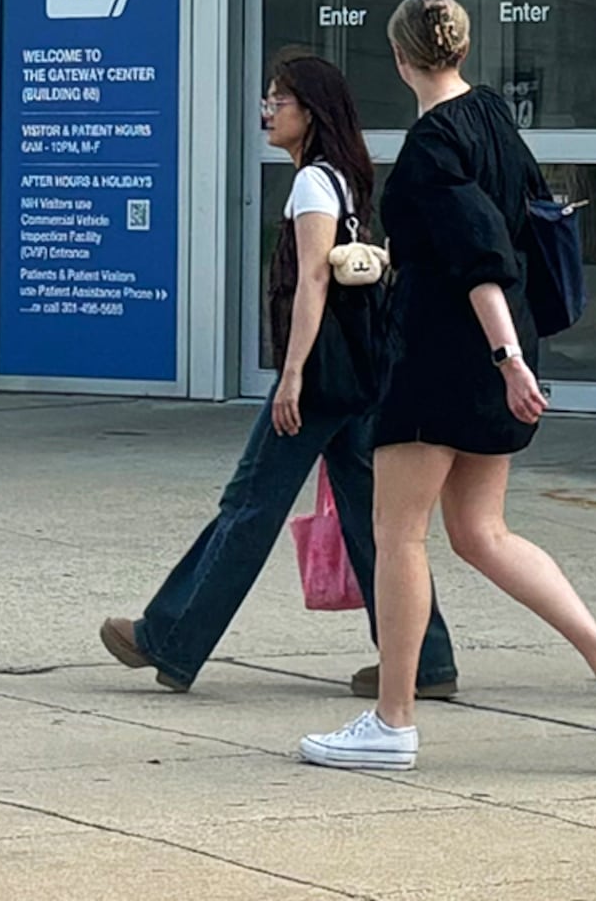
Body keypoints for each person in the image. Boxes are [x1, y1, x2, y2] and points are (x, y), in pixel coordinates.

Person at [300, 0, 596, 774]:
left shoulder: (433, 145)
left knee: (399, 534)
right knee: (479, 532)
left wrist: (508, 360)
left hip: (445, 358)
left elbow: (480, 256)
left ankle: (392, 720)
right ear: (459, 52)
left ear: (401, 60)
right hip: (486, 352)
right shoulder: (496, 119)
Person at [102, 54, 460, 696]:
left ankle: (171, 637)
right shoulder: (348, 178)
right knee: (373, 520)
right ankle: (426, 662)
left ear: (311, 112)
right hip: (361, 375)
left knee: (249, 506)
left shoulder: (313, 185)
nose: (268, 111)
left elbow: (313, 280)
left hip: (323, 375)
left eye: (279, 101)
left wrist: (291, 376)